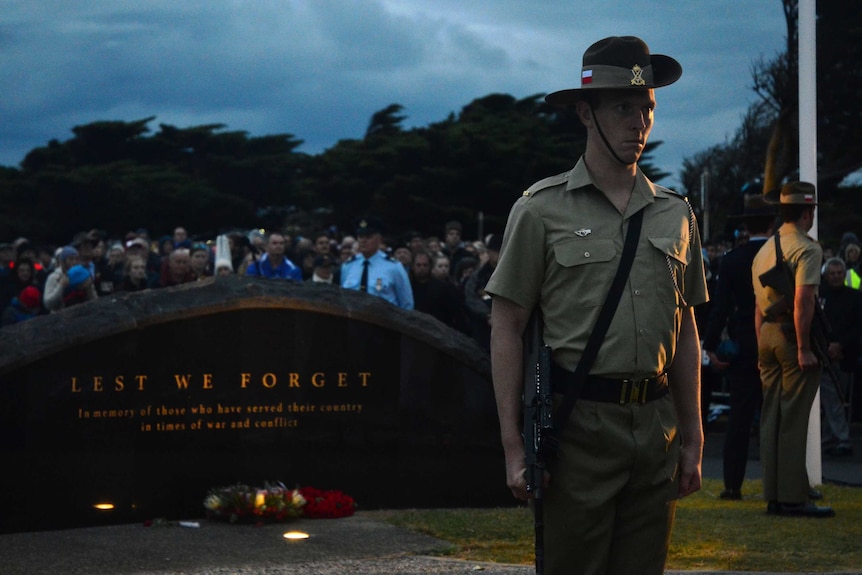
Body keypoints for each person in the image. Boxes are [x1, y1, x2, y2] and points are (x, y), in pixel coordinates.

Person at [485, 36, 707, 575]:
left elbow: (685, 328)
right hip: (577, 430)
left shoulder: (675, 215)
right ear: (586, 112)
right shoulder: (541, 211)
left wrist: (694, 438)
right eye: (623, 108)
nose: (639, 122)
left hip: (654, 429)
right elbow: (507, 326)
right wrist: (514, 446)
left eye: (647, 108)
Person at [752, 180, 834, 518]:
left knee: (772, 416)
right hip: (791, 336)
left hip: (767, 334)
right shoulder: (807, 248)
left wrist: (761, 339)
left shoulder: (765, 249)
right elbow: (804, 302)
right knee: (794, 420)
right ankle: (792, 498)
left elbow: (757, 304)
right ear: (807, 211)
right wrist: (803, 348)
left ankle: (775, 492)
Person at [702, 193, 775, 500]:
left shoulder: (732, 261)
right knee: (778, 415)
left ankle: (733, 484)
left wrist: (711, 345)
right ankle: (784, 482)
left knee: (740, 417)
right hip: (776, 336)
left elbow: (719, 308)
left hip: (743, 342)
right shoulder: (779, 256)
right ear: (771, 223)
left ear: (745, 225)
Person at [818, 257, 861, 457]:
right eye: (832, 274)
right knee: (831, 397)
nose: (835, 277)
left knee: (837, 397)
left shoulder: (855, 297)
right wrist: (827, 346)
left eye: (839, 274)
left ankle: (831, 436)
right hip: (824, 353)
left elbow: (857, 326)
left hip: (846, 355)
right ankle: (840, 436)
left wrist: (841, 345)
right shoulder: (820, 296)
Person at [341, 218, 413, 310]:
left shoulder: (393, 267)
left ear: (379, 239)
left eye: (368, 237)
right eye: (361, 237)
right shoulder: (348, 266)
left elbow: (406, 304)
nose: (363, 241)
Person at [410, 250, 461, 327]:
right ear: (413, 266)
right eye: (418, 265)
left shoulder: (442, 287)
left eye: (425, 265)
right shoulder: (408, 287)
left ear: (430, 266)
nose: (422, 268)